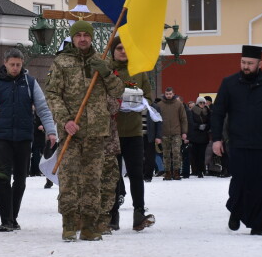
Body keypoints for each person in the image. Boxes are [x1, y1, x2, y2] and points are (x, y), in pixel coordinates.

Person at [45, 20, 124, 241]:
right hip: (72, 132)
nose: (82, 39)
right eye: (78, 35)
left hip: (97, 132)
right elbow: (52, 94)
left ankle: (90, 225)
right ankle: (69, 223)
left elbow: (118, 90)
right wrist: (65, 120)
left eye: (86, 35)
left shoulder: (102, 60)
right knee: (69, 179)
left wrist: (106, 73)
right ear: (72, 38)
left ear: (91, 37)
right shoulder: (62, 62)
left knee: (93, 180)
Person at [211, 45, 262, 236]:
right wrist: (216, 139)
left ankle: (260, 225)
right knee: (240, 182)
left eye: (250, 63)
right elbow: (218, 112)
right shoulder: (229, 83)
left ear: (260, 64)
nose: (246, 66)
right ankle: (236, 208)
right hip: (238, 142)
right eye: (243, 62)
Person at [0, 48, 57, 232]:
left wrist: (50, 131)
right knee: (3, 178)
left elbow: (42, 108)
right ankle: (6, 220)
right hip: (2, 136)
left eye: (18, 65)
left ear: (22, 65)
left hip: (23, 137)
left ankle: (14, 216)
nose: (15, 68)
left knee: (20, 179)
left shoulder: (30, 83)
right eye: (12, 64)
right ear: (5, 63)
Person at [110, 36, 154, 231]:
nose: (123, 51)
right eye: (119, 48)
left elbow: (150, 98)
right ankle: (112, 214)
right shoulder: (107, 72)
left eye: (126, 48)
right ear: (113, 50)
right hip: (112, 132)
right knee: (113, 174)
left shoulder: (139, 71)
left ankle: (138, 213)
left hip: (135, 131)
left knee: (136, 173)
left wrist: (140, 104)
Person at [157, 87, 188, 180]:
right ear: (164, 94)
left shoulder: (179, 104)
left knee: (176, 153)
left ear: (173, 94)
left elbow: (183, 119)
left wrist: (184, 132)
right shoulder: (160, 105)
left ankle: (177, 172)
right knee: (166, 154)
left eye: (170, 94)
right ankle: (167, 173)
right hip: (164, 133)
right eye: (167, 94)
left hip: (176, 133)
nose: (168, 95)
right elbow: (157, 120)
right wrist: (158, 135)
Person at [190, 97, 211, 178]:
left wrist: (206, 126)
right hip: (195, 135)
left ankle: (201, 171)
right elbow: (191, 122)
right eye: (200, 103)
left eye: (203, 103)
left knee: (202, 155)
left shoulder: (208, 111)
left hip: (204, 135)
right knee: (195, 154)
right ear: (197, 103)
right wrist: (198, 126)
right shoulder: (193, 111)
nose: (202, 104)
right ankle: (196, 170)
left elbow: (210, 122)